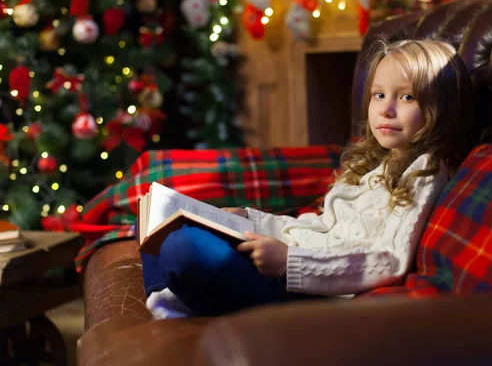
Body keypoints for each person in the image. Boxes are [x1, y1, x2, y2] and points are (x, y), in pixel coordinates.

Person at [141, 39, 474, 319]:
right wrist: (250, 219)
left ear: (437, 109)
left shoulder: (425, 172)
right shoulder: (374, 164)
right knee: (162, 220)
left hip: (317, 296)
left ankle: (181, 297)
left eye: (406, 97)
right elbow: (320, 227)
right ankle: (168, 296)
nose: (386, 110)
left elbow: (389, 260)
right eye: (378, 95)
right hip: (289, 264)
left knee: (185, 247)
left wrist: (291, 263)